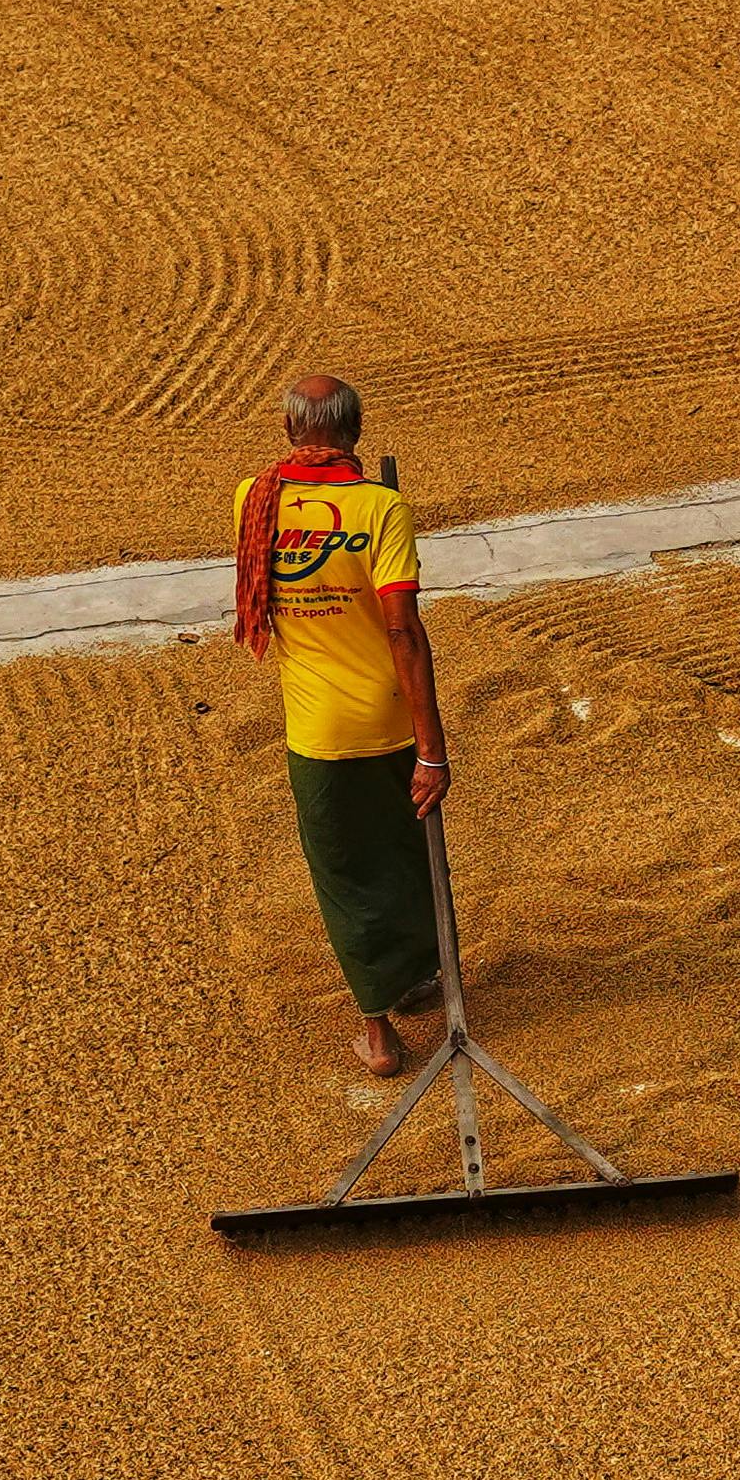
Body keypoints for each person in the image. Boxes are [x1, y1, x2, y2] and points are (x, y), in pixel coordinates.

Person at [232, 374, 456, 1078]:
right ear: (355, 430)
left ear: (291, 430)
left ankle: (381, 1037)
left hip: (318, 729)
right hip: (389, 718)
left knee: (346, 877)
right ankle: (422, 979)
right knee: (405, 852)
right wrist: (433, 749)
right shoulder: (384, 510)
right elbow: (404, 632)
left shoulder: (254, 499)